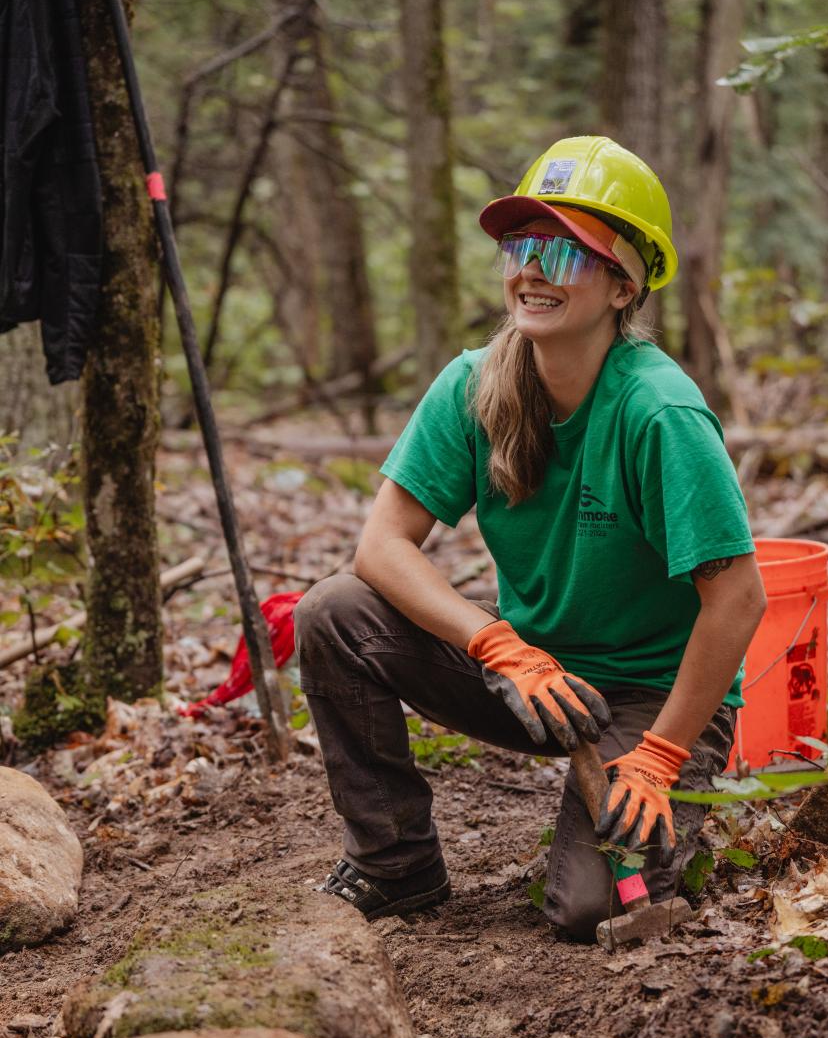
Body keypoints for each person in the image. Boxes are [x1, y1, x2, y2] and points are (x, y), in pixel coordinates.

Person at [294, 135, 767, 941]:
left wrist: (658, 755)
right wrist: (495, 646)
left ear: (625, 284)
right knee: (334, 611)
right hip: (531, 672)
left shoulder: (660, 413)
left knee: (587, 912)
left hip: (651, 698)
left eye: (564, 251)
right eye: (520, 246)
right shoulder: (474, 383)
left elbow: (737, 599)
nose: (531, 270)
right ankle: (395, 865)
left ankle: (655, 797)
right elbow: (380, 549)